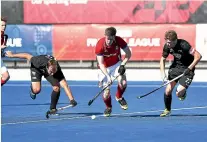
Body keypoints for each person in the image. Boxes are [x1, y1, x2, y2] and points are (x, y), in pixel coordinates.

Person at [5, 51, 77, 114]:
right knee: (37, 90)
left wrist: (72, 99)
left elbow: (64, 85)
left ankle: (52, 108)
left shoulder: (56, 69)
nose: (52, 74)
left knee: (57, 88)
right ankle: (33, 89)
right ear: (47, 67)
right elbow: (27, 56)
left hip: (47, 72)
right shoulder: (38, 61)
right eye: (51, 71)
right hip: (36, 69)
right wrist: (12, 55)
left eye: (54, 72)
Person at [160, 30, 202, 117]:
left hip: (188, 68)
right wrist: (163, 75)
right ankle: (167, 110)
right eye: (166, 42)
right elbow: (162, 59)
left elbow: (198, 56)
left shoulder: (184, 45)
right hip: (175, 68)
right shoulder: (167, 46)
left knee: (179, 93)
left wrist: (189, 68)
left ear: (175, 40)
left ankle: (182, 93)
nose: (168, 44)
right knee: (168, 90)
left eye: (169, 43)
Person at [95, 27, 131, 117]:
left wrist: (122, 64)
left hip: (116, 64)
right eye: (107, 39)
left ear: (114, 37)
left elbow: (128, 54)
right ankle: (109, 107)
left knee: (123, 82)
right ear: (105, 36)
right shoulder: (100, 45)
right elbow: (101, 63)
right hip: (104, 68)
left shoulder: (119, 40)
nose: (109, 41)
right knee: (106, 92)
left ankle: (119, 97)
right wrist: (108, 76)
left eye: (111, 39)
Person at [1, 17, 10, 86]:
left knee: (6, 76)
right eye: (2, 25)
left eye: (5, 25)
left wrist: (4, 54)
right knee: (5, 75)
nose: (4, 27)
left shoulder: (4, 36)